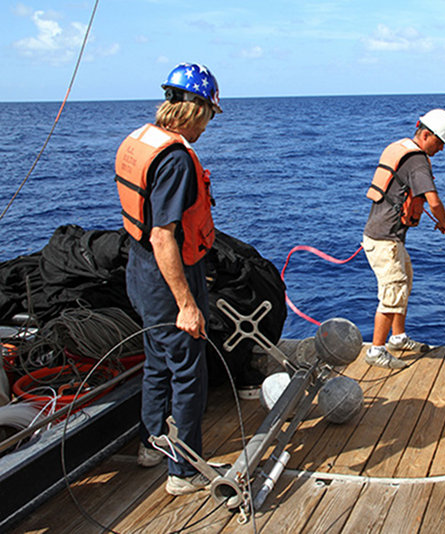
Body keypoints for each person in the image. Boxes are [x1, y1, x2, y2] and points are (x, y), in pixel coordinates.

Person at [115, 63, 222, 495]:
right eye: (209, 115)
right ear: (196, 109)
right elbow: (164, 236)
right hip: (165, 274)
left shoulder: (140, 140)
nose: (208, 125)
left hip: (137, 271)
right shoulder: (176, 160)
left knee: (157, 361)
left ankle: (149, 445)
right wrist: (186, 303)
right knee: (187, 370)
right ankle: (184, 472)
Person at [362, 109, 445, 369]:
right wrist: (444, 223)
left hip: (388, 238)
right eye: (439, 143)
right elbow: (434, 201)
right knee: (393, 291)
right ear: (426, 135)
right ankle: (376, 351)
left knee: (405, 282)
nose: (441, 150)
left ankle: (398, 338)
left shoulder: (401, 148)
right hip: (384, 240)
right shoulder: (418, 160)